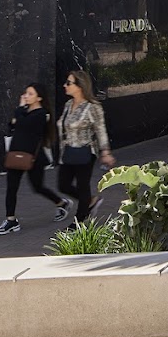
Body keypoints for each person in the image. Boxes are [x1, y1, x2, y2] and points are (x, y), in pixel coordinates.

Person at [0, 83, 69, 235]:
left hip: (33, 158)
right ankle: (11, 220)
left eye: (30, 94)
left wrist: (19, 111)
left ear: (39, 97)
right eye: (25, 93)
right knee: (11, 188)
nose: (25, 96)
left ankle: (61, 202)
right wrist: (19, 116)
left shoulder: (42, 114)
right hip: (15, 155)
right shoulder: (25, 112)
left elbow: (22, 124)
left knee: (37, 187)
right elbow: (12, 125)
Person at [57, 71, 115, 225]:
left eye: (69, 83)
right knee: (63, 184)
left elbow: (100, 129)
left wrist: (106, 152)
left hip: (85, 151)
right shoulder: (68, 105)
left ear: (80, 86)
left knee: (83, 185)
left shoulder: (93, 107)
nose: (65, 85)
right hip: (68, 151)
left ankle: (79, 222)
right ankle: (90, 201)